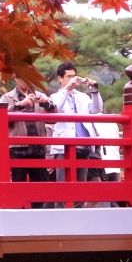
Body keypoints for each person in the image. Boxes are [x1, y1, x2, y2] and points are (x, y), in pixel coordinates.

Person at [0, 76, 55, 206]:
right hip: (18, 150)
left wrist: (48, 104)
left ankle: (39, 221)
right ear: (15, 78)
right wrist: (20, 104)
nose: (25, 80)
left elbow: (54, 118)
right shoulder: (7, 97)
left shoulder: (39, 95)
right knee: (18, 190)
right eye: (21, 77)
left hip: (38, 148)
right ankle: (19, 221)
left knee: (39, 192)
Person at [49, 62, 101, 198]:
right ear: (60, 78)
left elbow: (96, 109)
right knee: (63, 187)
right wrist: (67, 88)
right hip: (63, 147)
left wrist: (94, 91)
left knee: (81, 187)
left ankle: (79, 214)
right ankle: (61, 215)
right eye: (68, 76)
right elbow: (55, 107)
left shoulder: (83, 97)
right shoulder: (55, 96)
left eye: (73, 76)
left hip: (84, 146)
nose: (71, 79)